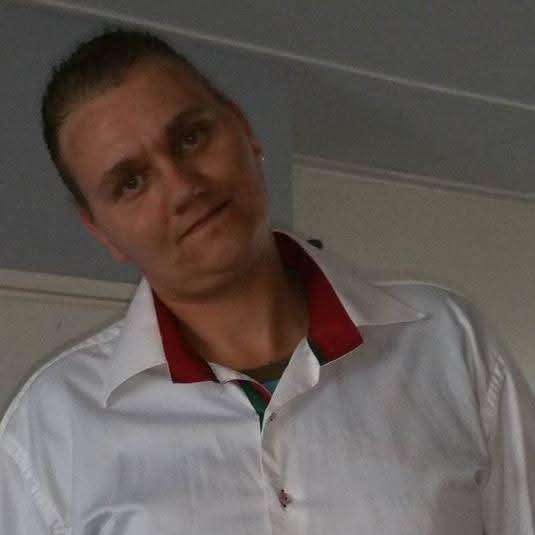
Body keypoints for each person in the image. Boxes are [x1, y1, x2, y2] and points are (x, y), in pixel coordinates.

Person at [1, 28, 534, 535]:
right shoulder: (50, 428)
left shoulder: (447, 343)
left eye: (191, 138)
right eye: (131, 182)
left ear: (245, 130)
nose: (183, 188)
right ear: (100, 230)